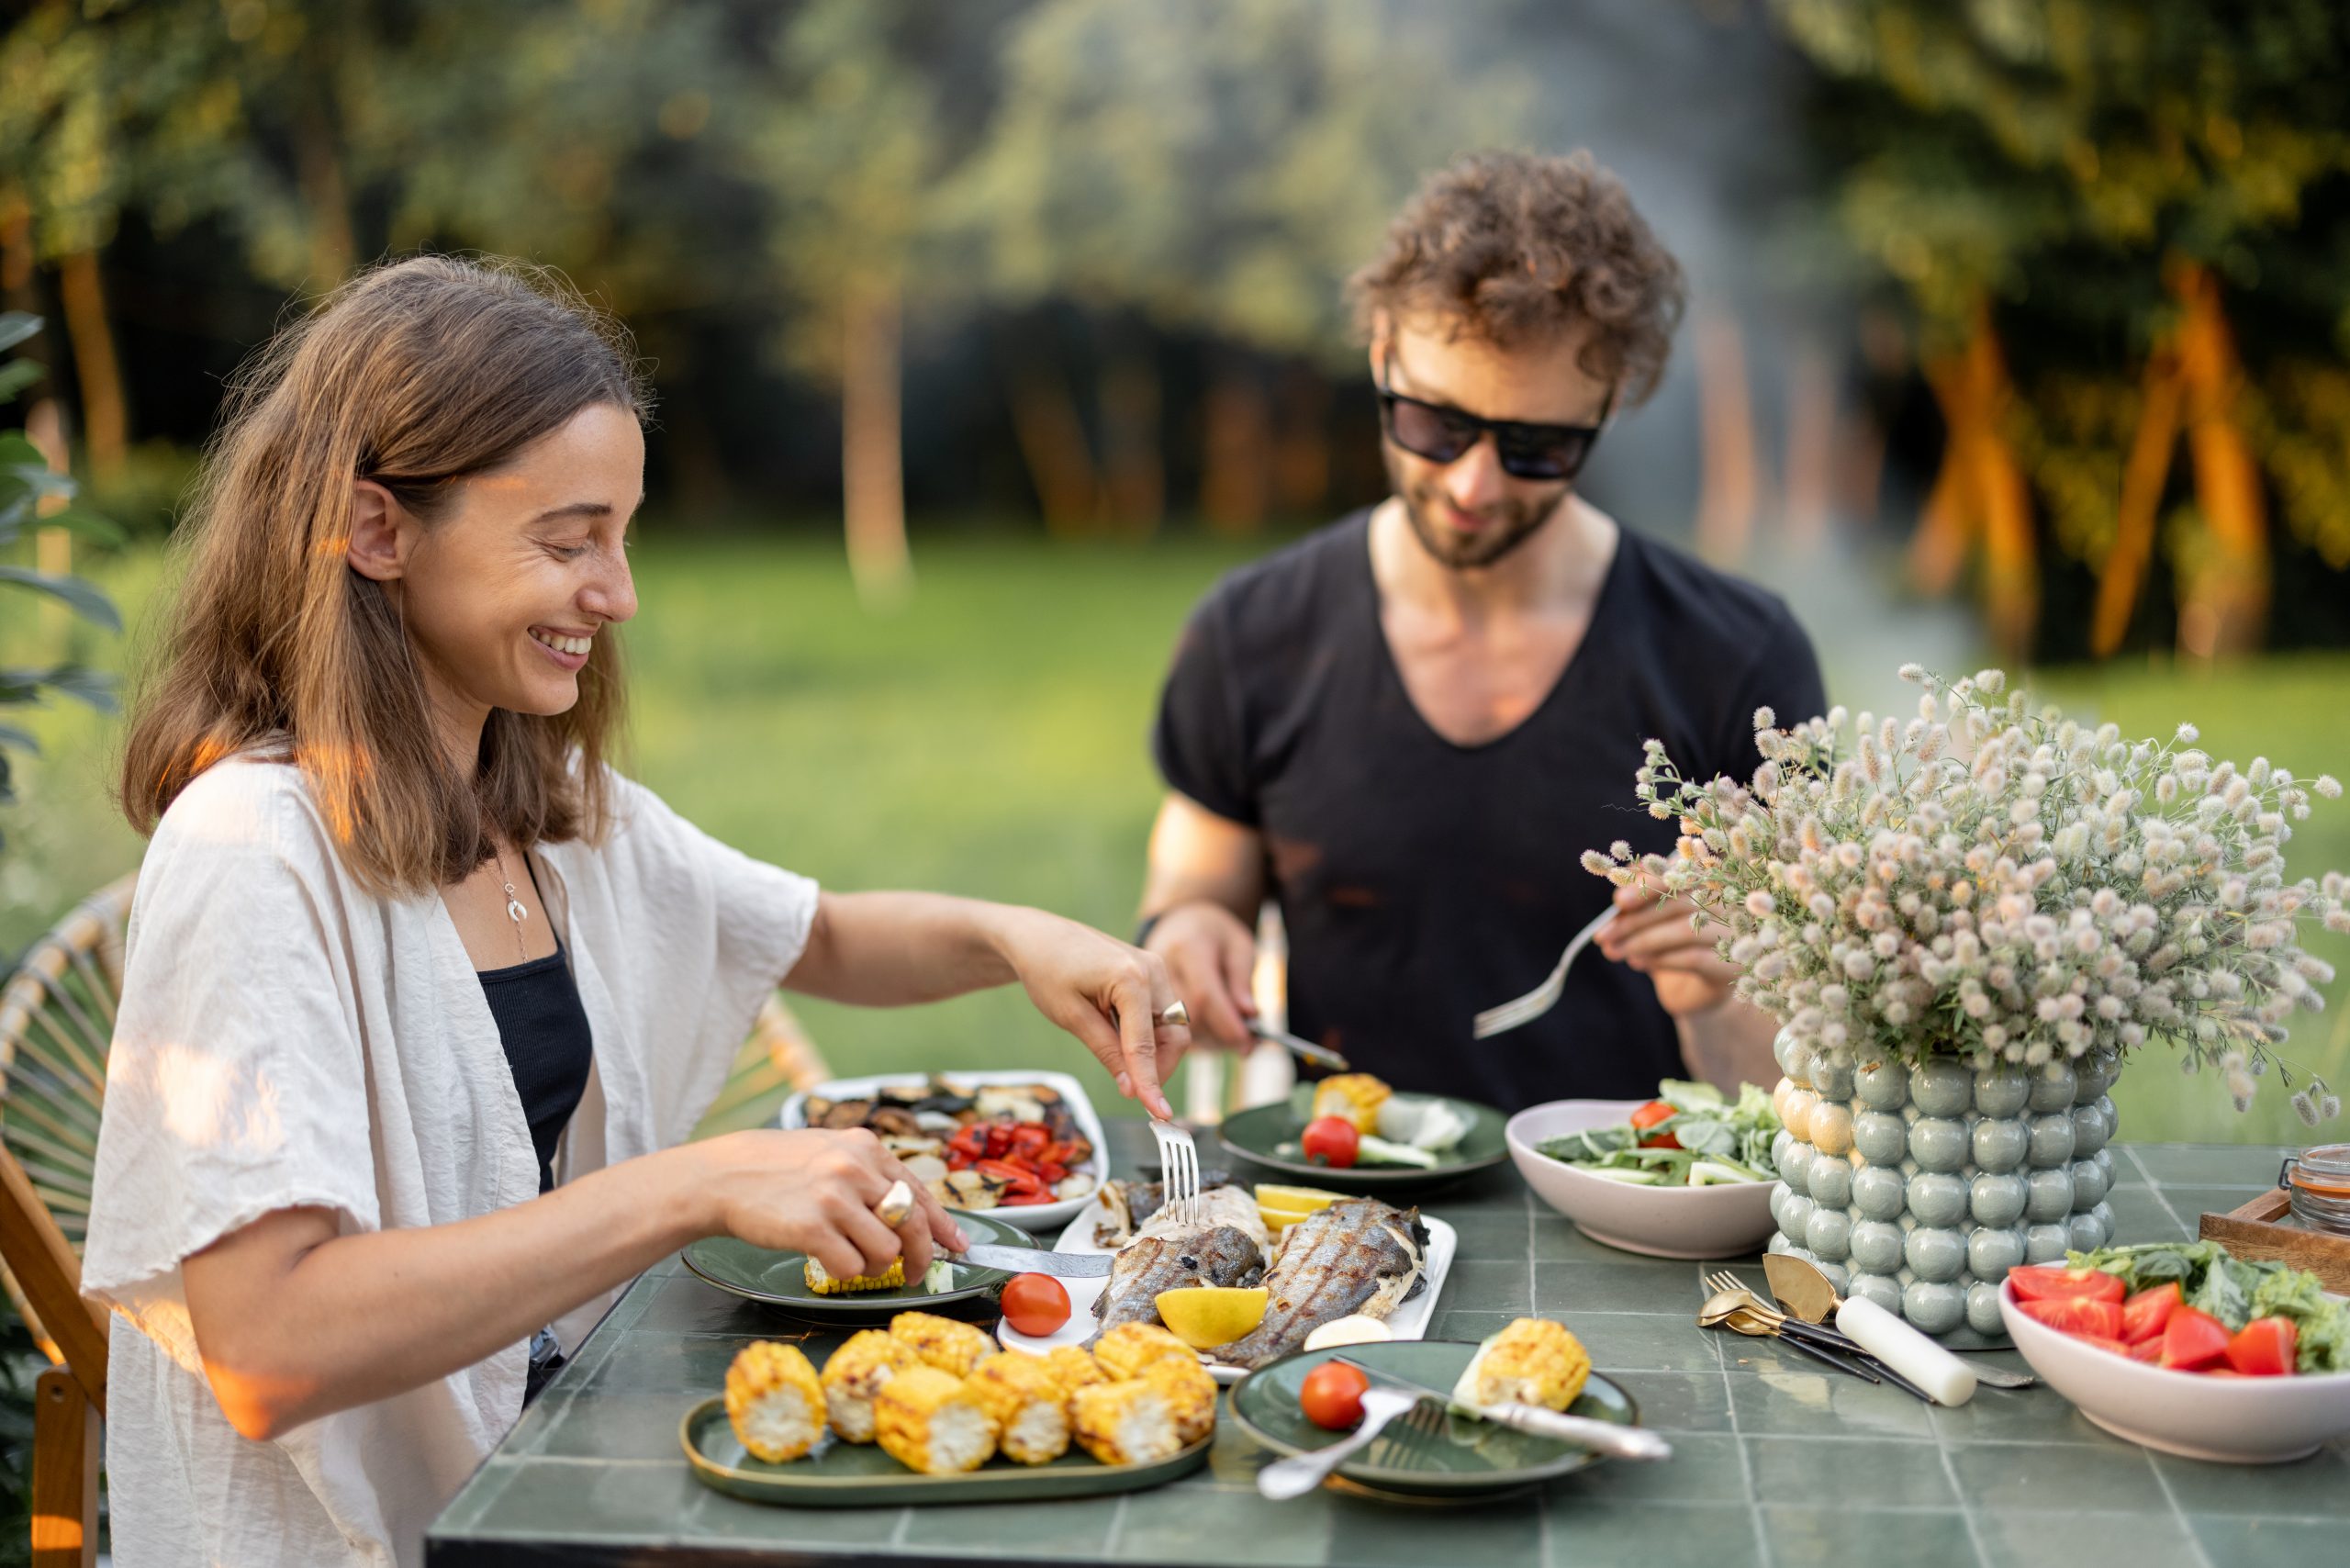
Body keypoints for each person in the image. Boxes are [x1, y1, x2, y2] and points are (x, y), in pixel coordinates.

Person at [81, 256, 1190, 1568]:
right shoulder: (253, 849)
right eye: (567, 540)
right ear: (376, 531)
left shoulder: (531, 792)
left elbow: (812, 933)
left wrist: (1016, 938)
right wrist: (688, 1189)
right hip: (368, 1535)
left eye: (622, 534)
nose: (618, 595)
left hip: (548, 1463)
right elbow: (271, 1348)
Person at [1137, 150, 1826, 1111]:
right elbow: (1195, 888)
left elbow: (1810, 1091)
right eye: (1434, 423)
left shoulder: (1733, 659)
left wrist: (1717, 986)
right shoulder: (1253, 635)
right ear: (1382, 353)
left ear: (1611, 401)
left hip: (1635, 1217)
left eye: (1536, 446)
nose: (1473, 485)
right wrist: (1188, 932)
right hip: (1344, 1214)